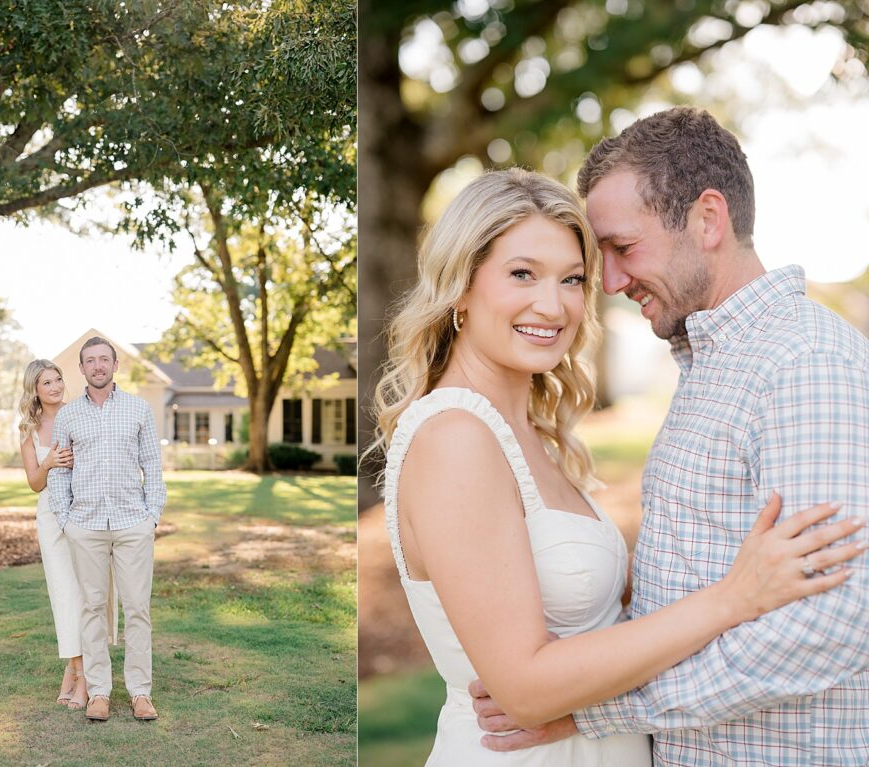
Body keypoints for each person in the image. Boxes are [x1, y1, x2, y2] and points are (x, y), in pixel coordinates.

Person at [370, 167, 865, 765]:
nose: (553, 305)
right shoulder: (455, 436)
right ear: (460, 287)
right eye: (522, 273)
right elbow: (523, 689)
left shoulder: (525, 434)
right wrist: (732, 598)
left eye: (572, 279)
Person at [48, 336, 167, 723]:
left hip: (133, 523)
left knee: (137, 610)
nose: (97, 366)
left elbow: (153, 466)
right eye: (90, 360)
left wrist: (151, 516)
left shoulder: (138, 409)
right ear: (81, 368)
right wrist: (65, 520)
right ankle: (99, 692)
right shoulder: (68, 416)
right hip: (86, 526)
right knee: (93, 609)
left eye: (104, 359)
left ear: (115, 365)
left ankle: (140, 693)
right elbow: (58, 472)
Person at [18, 359, 118, 710]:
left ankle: (82, 675)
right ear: (35, 389)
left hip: (87, 511)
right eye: (46, 382)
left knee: (90, 593)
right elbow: (34, 483)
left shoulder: (81, 413)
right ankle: (77, 670)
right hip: (51, 516)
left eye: (58, 379)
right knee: (65, 595)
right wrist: (49, 462)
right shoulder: (28, 430)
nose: (56, 386)